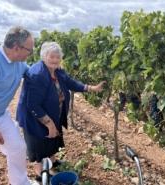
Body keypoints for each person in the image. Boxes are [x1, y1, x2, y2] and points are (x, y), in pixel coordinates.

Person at [16, 41, 105, 182]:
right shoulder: (37, 74)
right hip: (34, 116)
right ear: (44, 56)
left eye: (58, 57)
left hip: (51, 112)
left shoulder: (57, 71)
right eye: (52, 57)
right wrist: (49, 124)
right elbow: (33, 105)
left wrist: (90, 88)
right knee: (39, 144)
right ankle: (40, 175)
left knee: (52, 139)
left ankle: (53, 162)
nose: (55, 60)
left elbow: (70, 82)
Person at [0, 26, 34, 185]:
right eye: (29, 50)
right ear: (17, 48)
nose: (30, 54)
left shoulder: (18, 62)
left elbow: (32, 74)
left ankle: (20, 182)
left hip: (0, 116)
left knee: (17, 148)